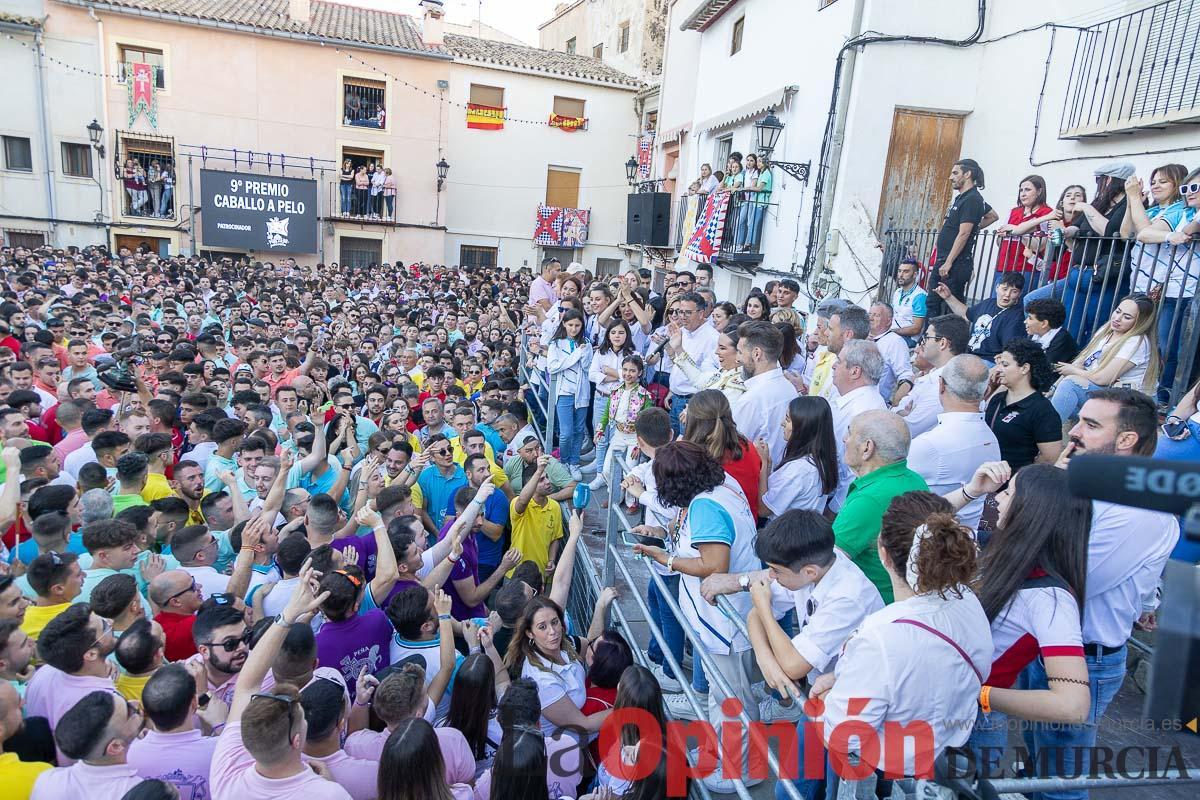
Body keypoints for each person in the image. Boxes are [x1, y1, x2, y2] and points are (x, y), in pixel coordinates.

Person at [1027, 389, 1179, 800]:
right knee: (1037, 771)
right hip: (1044, 646)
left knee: (1059, 785)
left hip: (1082, 657)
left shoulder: (1137, 510)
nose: (1073, 433)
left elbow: (1066, 580)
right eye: (1079, 420)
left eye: (1091, 425)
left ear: (1127, 440)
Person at [800, 503, 991, 800]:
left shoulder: (881, 634)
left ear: (883, 552)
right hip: (952, 759)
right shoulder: (966, 600)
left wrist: (830, 702)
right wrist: (843, 679)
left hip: (891, 773)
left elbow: (843, 733)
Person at [629, 441, 762, 793]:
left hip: (724, 620)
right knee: (723, 696)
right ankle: (720, 753)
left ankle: (741, 769)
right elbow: (695, 537)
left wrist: (666, 560)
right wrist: (662, 533)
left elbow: (715, 566)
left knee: (732, 698)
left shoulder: (706, 505)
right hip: (720, 618)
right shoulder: (719, 488)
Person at [940, 463, 1091, 766]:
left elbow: (1073, 705)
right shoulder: (1006, 555)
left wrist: (983, 695)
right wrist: (972, 490)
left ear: (1031, 511)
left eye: (1008, 493)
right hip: (951, 709)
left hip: (970, 724)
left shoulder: (1051, 600)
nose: (998, 498)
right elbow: (914, 522)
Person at [209, 559, 352, 800]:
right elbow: (248, 685)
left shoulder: (227, 770)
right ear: (297, 740)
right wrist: (290, 613)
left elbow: (247, 683)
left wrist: (290, 614)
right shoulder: (329, 794)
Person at [1024, 162, 1134, 341]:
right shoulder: (1101, 203)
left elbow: (1110, 231)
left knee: (1092, 327)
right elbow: (1078, 227)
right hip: (1078, 272)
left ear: (1111, 180)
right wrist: (1065, 231)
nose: (1099, 185)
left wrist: (1086, 207)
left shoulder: (1127, 204)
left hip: (1101, 276)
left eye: (1101, 180)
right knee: (1068, 325)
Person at [832, 411, 929, 603]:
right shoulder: (914, 479)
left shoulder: (868, 499)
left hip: (870, 607)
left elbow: (827, 560)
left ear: (867, 448)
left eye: (849, 433)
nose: (844, 439)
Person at [1130, 166, 1200, 402]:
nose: (1189, 192)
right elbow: (1136, 233)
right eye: (1186, 188)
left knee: (1176, 349)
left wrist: (1187, 229)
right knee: (1165, 346)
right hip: (1172, 288)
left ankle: (1168, 398)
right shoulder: (1184, 212)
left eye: (1195, 187)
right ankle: (1160, 395)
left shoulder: (1185, 212)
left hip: (1188, 291)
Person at [907, 355, 1000, 531]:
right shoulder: (991, 439)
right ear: (986, 392)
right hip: (965, 541)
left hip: (931, 543)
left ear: (941, 385)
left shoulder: (929, 444)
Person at [1050, 295, 1159, 422]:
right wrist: (1053, 387)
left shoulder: (1138, 342)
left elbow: (1102, 378)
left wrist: (1072, 372)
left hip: (1133, 404)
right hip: (1108, 393)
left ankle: (1047, 437)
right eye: (1118, 311)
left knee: (1070, 385)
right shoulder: (1106, 330)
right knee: (1050, 399)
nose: (1117, 318)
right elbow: (1081, 362)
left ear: (1140, 322)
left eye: (1127, 317)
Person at [127, 664, 221, 798]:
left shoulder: (127, 755)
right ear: (194, 703)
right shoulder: (219, 750)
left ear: (144, 710)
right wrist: (222, 726)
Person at [29, 690, 144, 799]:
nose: (136, 702)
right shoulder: (137, 792)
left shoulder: (47, 783)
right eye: (130, 711)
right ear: (115, 746)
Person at [927, 158, 993, 318]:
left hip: (955, 263)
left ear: (968, 174)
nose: (951, 177)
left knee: (949, 305)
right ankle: (930, 338)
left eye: (955, 173)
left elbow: (964, 233)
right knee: (934, 302)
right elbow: (992, 215)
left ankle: (947, 340)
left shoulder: (972, 199)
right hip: (947, 259)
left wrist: (949, 261)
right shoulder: (964, 197)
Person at [682, 389, 762, 519]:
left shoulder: (695, 459)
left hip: (716, 526)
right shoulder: (747, 446)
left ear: (693, 422)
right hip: (747, 521)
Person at [985, 338, 1063, 472]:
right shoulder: (997, 399)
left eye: (1005, 364)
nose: (998, 369)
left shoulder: (1042, 410)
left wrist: (1019, 478)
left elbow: (1050, 458)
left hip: (1012, 486)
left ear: (1025, 368)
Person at [758, 396, 839, 518]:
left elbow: (763, 510)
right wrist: (768, 466)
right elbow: (774, 492)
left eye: (788, 419)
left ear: (804, 427)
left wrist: (763, 465)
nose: (782, 423)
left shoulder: (798, 470)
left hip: (785, 533)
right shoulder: (820, 458)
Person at [893, 314, 971, 438]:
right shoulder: (934, 374)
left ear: (943, 343)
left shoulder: (944, 385)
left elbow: (906, 429)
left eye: (927, 337)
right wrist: (901, 412)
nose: (923, 343)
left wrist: (902, 413)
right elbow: (898, 407)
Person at [732, 321, 797, 467]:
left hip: (758, 478)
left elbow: (734, 448)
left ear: (756, 353)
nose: (737, 359)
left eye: (740, 352)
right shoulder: (789, 388)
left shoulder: (752, 399)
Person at [934, 271, 1027, 364]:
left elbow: (1012, 351)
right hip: (968, 355)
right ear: (997, 288)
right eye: (1005, 289)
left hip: (988, 362)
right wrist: (948, 297)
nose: (1007, 294)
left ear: (1019, 294)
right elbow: (966, 314)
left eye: (1014, 291)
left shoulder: (1017, 317)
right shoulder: (988, 302)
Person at [590, 355, 651, 492]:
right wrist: (600, 430)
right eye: (625, 370)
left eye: (632, 371)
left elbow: (646, 423)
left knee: (629, 472)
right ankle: (615, 496)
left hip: (635, 437)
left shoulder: (645, 395)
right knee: (606, 469)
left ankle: (630, 501)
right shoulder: (616, 389)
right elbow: (606, 413)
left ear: (640, 373)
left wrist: (641, 444)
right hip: (618, 434)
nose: (627, 374)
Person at [545, 309, 592, 481]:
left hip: (582, 391)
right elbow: (553, 367)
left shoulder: (586, 342)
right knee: (566, 432)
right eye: (570, 325)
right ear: (564, 324)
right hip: (564, 392)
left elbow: (588, 367)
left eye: (577, 325)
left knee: (579, 429)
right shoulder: (556, 344)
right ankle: (564, 461)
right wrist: (577, 354)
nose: (574, 329)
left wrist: (584, 353)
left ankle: (574, 462)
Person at [666, 292, 720, 434]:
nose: (682, 317)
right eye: (680, 312)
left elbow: (711, 378)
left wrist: (693, 405)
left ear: (701, 313)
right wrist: (672, 390)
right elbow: (679, 365)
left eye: (688, 313)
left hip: (693, 403)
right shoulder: (681, 331)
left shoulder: (712, 338)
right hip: (676, 398)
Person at [993, 174, 1054, 294]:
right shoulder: (1013, 211)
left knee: (1020, 305)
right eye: (1021, 190)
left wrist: (1019, 231)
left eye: (1028, 189)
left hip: (1026, 269)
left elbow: (1040, 246)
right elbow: (1000, 242)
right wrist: (1002, 235)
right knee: (997, 302)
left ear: (1039, 191)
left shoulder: (1046, 213)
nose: (1023, 193)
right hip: (1003, 266)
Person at [867, 302, 914, 403]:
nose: (870, 318)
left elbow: (905, 375)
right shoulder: (862, 336)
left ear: (888, 321)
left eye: (876, 315)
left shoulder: (895, 342)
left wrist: (896, 402)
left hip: (875, 404)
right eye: (870, 314)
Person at [1024, 297, 1080, 366]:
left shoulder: (1062, 340)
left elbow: (1045, 369)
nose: (1025, 321)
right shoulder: (1035, 334)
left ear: (1044, 323)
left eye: (1030, 318)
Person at [890, 259, 928, 342]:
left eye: (906, 272)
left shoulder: (920, 295)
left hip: (908, 338)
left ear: (915, 275)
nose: (900, 275)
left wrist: (891, 332)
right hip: (893, 334)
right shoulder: (898, 292)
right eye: (899, 271)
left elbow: (916, 329)